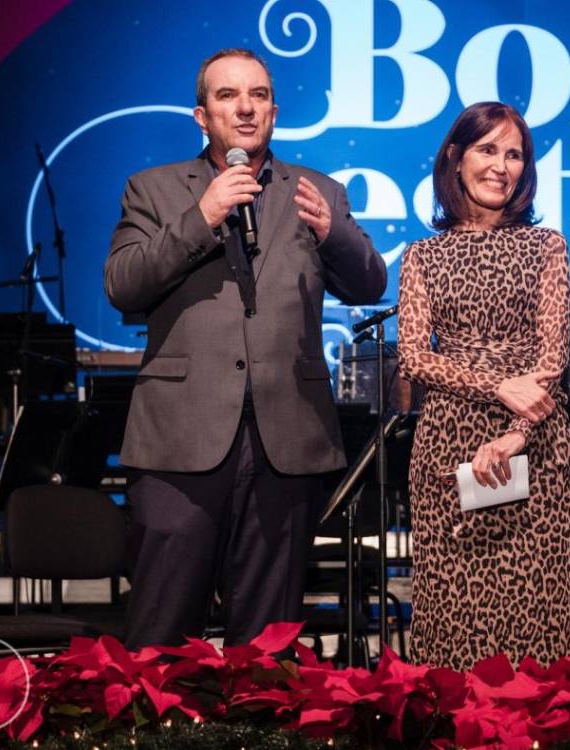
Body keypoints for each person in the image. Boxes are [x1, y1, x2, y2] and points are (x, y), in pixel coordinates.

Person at [104, 48, 387, 649]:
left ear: (275, 112)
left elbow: (370, 283)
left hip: (286, 440)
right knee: (161, 632)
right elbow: (122, 283)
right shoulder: (153, 190)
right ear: (202, 116)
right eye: (228, 96)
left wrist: (332, 235)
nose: (245, 107)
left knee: (267, 642)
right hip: (179, 440)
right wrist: (200, 218)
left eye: (258, 95)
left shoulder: (318, 192)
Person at [396, 101, 570, 669]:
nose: (502, 165)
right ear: (455, 159)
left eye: (515, 153)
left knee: (536, 622)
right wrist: (498, 386)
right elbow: (412, 357)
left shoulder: (546, 246)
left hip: (536, 444)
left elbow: (552, 359)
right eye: (487, 149)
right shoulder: (422, 256)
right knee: (452, 619)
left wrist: (516, 432)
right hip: (447, 442)